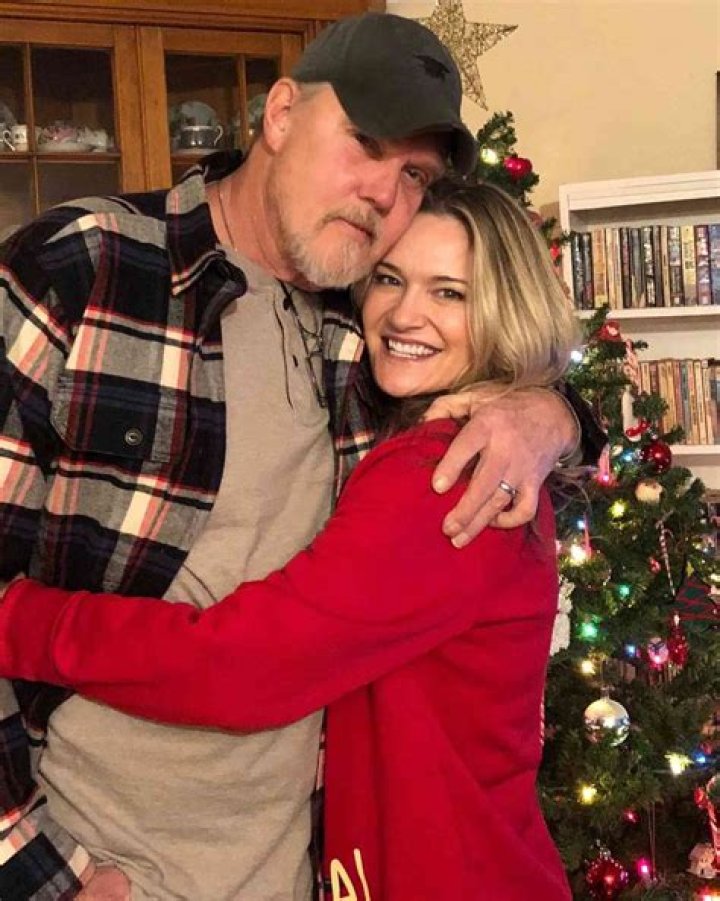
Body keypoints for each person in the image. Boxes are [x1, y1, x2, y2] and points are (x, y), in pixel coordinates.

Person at [0, 12, 603, 900]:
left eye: (413, 174)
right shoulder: (84, 267)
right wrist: (34, 866)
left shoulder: (362, 328)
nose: (382, 193)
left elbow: (257, 660)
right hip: (100, 867)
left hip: (301, 871)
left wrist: (549, 412)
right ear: (280, 114)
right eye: (365, 142)